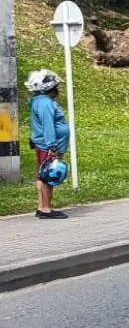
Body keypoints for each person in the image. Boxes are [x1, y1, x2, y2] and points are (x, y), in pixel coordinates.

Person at [27, 69, 70, 219]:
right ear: (48, 89)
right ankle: (46, 209)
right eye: (55, 87)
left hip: (42, 144)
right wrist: (52, 146)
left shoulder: (39, 101)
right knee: (48, 175)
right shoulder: (45, 103)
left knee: (41, 175)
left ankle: (41, 207)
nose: (56, 91)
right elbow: (47, 125)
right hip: (48, 146)